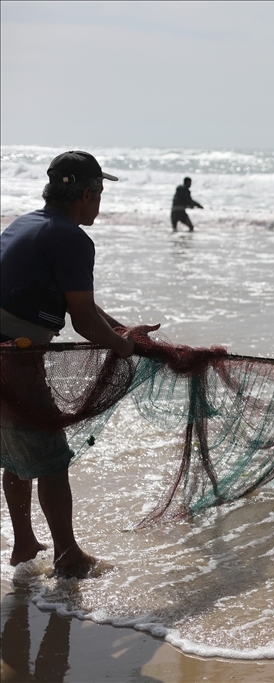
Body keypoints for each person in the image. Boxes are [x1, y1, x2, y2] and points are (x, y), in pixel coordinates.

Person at [1, 151, 139, 578]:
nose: (100, 202)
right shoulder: (74, 239)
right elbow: (81, 321)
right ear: (86, 192)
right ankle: (68, 557)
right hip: (14, 356)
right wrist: (124, 348)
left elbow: (82, 304)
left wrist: (122, 329)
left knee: (15, 453)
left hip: (5, 350)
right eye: (99, 193)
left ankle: (24, 544)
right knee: (51, 457)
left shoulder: (26, 223)